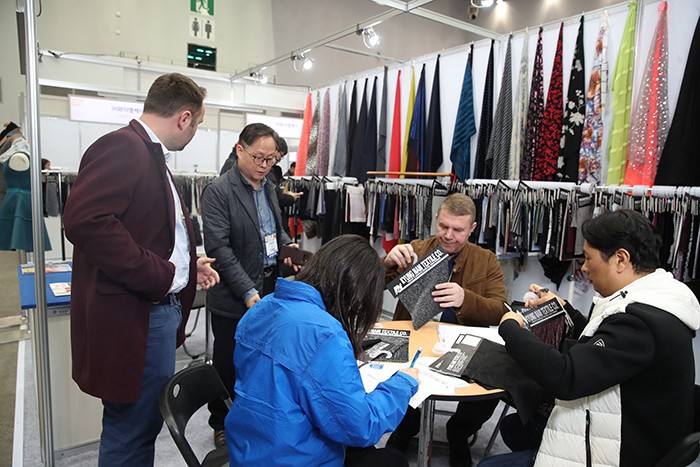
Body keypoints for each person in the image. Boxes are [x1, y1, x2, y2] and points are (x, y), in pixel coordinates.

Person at [62, 73, 220, 466]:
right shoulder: (125, 147)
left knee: (140, 425)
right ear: (184, 118)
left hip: (150, 313)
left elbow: (147, 228)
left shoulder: (148, 154)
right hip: (138, 316)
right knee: (132, 430)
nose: (195, 133)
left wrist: (186, 266)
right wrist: (160, 274)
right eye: (198, 124)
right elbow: (85, 221)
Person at [480, 209, 700, 467]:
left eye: (587, 258)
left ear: (620, 259)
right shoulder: (656, 301)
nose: (584, 267)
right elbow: (607, 347)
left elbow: (567, 378)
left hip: (621, 450)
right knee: (515, 428)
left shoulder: (639, 323)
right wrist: (565, 311)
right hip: (634, 428)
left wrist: (511, 329)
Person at [225, 234, 420, 466]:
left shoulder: (263, 306)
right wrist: (404, 384)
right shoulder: (325, 334)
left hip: (248, 449)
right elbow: (361, 427)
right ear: (358, 294)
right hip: (292, 458)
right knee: (393, 460)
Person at [383, 193, 508, 466]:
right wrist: (387, 263)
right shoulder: (415, 249)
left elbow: (500, 309)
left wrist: (466, 299)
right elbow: (371, 286)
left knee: (496, 380)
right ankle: (407, 424)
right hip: (414, 338)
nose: (448, 235)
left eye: (458, 230)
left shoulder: (486, 260)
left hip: (466, 345)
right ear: (437, 220)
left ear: (472, 228)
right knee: (384, 370)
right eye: (443, 226)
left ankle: (458, 432)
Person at [201, 122, 295, 448]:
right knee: (228, 362)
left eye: (271, 160)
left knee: (262, 359)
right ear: (239, 149)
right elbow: (220, 249)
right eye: (258, 158)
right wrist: (247, 291)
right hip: (233, 294)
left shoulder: (268, 186)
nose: (264, 165)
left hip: (268, 284)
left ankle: (254, 416)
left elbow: (275, 230)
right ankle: (220, 421)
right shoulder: (218, 191)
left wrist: (289, 249)